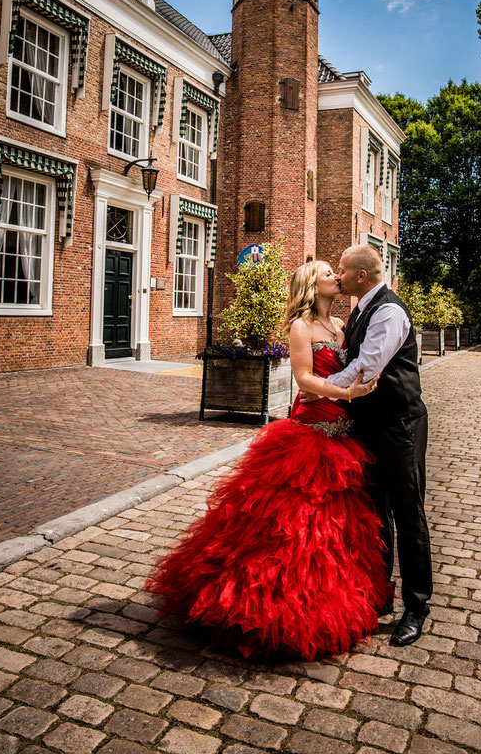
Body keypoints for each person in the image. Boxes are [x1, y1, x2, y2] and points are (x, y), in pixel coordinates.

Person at [145, 260, 393, 661]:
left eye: (336, 272)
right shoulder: (301, 327)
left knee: (332, 532)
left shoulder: (342, 327)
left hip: (343, 437)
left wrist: (353, 386)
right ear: (312, 286)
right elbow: (304, 379)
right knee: (289, 530)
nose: (335, 277)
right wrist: (345, 394)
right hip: (310, 435)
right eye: (328, 273)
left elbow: (349, 369)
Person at [324, 244, 432, 647]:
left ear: (361, 277)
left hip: (399, 424)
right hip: (368, 424)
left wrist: (315, 392)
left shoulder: (388, 310)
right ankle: (379, 594)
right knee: (375, 510)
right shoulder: (361, 307)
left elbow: (364, 369)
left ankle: (417, 606)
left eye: (342, 270)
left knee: (408, 511)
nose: (337, 276)